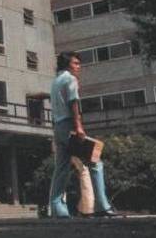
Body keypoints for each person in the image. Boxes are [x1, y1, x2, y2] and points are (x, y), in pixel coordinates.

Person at [48, 52, 118, 218]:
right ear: (67, 64)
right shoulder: (70, 79)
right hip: (70, 127)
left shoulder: (55, 82)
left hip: (58, 128)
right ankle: (102, 205)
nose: (79, 67)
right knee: (96, 162)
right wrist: (78, 127)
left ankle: (57, 208)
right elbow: (74, 103)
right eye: (76, 63)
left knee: (61, 168)